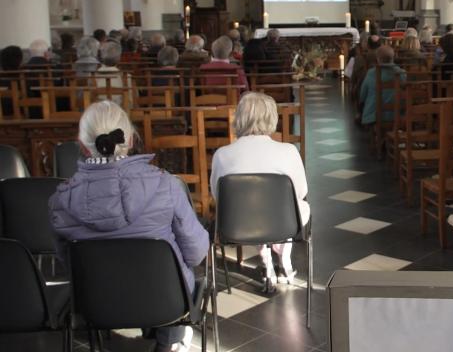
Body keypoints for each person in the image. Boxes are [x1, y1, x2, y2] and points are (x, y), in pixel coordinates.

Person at [49, 101, 209, 352]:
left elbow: (67, 263)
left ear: (81, 146)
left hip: (97, 300)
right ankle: (168, 342)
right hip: (165, 297)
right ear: (131, 140)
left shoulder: (61, 200)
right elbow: (197, 251)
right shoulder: (166, 185)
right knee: (179, 271)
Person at [210, 92, 310, 293]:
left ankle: (266, 259)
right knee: (297, 206)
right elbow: (301, 191)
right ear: (272, 117)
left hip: (238, 224)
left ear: (239, 118)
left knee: (251, 208)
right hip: (283, 223)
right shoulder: (289, 151)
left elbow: (217, 196)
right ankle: (284, 257)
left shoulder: (222, 155)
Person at [359, 46, 406, 126]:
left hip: (374, 116)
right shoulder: (401, 73)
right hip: (397, 114)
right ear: (393, 57)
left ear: (378, 58)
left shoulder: (371, 73)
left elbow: (362, 95)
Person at [95, 41, 133, 106]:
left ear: (101, 57)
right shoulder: (126, 77)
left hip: (98, 113)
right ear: (119, 58)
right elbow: (130, 102)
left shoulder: (92, 77)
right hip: (119, 113)